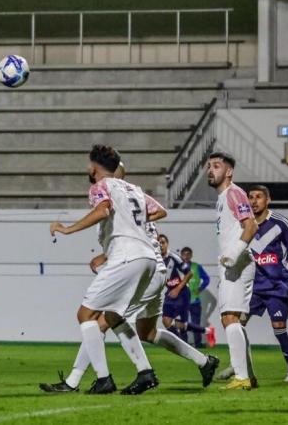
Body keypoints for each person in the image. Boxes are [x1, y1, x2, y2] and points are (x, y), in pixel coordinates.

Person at [40, 163, 219, 394]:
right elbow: (157, 216)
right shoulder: (133, 200)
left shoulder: (112, 194)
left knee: (101, 321)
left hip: (143, 267)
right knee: (148, 332)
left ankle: (83, 380)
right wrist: (106, 255)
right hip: (155, 269)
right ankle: (204, 361)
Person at [44, 145, 164, 395]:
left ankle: (103, 379)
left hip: (126, 255)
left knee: (85, 315)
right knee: (113, 316)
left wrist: (67, 229)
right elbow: (160, 211)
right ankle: (145, 373)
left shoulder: (100, 186)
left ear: (94, 167)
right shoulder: (135, 189)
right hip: (148, 258)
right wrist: (132, 224)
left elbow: (102, 210)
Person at [217, 185, 288, 383]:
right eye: (250, 197)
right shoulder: (243, 225)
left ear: (267, 200)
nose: (253, 201)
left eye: (258, 197)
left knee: (279, 327)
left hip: (277, 286)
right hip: (252, 286)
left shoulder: (280, 223)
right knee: (236, 323)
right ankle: (238, 365)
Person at [206, 151, 258, 390]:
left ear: (228, 172)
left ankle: (241, 377)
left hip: (237, 263)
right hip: (231, 264)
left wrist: (234, 254)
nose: (210, 170)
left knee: (230, 319)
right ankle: (247, 375)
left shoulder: (233, 192)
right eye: (209, 166)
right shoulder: (222, 198)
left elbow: (251, 225)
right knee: (231, 319)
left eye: (216, 166)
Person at [160, 235, 215, 347]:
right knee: (167, 321)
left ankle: (181, 345)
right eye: (158, 243)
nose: (160, 245)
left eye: (163, 242)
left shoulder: (174, 258)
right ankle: (205, 331)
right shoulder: (156, 259)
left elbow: (189, 273)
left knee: (178, 322)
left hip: (182, 294)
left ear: (167, 244)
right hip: (170, 293)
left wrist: (178, 288)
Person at [180, 246, 211, 347]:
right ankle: (183, 344)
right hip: (181, 301)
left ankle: (198, 344)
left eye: (188, 254)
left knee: (195, 323)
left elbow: (206, 279)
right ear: (181, 255)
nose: (186, 256)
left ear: (191, 255)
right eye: (184, 254)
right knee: (182, 323)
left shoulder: (197, 267)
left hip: (195, 301)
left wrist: (200, 288)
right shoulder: (177, 266)